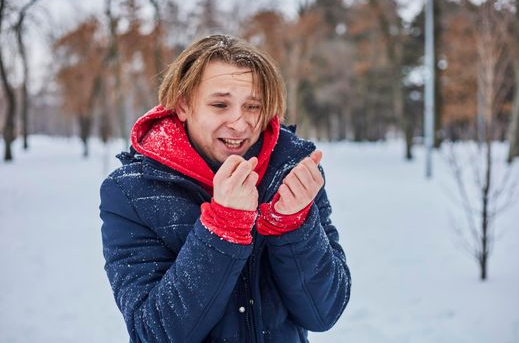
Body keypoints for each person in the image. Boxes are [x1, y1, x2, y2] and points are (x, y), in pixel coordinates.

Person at [100, 34, 351, 343]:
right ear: (183, 104)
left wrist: (294, 227)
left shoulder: (291, 172)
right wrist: (222, 228)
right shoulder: (132, 192)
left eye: (252, 106)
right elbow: (154, 333)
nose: (239, 123)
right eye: (220, 104)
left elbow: (324, 312)